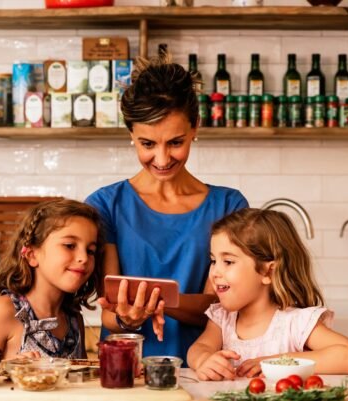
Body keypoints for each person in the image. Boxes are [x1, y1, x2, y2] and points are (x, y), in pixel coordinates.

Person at [85, 52, 248, 360]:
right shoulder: (105, 205)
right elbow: (109, 310)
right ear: (131, 133)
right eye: (147, 144)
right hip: (127, 372)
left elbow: (222, 306)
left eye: (175, 142)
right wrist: (125, 317)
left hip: (206, 369)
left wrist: (151, 302)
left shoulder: (229, 206)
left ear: (196, 127)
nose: (161, 159)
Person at [187, 208, 348, 381]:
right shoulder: (222, 318)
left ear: (268, 272)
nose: (214, 272)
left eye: (228, 261)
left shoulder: (295, 323)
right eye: (213, 260)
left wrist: (277, 362)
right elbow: (200, 348)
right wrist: (203, 360)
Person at [0, 198, 104, 360]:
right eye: (70, 245)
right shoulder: (4, 311)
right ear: (32, 255)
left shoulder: (74, 318)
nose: (84, 258)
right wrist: (8, 367)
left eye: (91, 251)